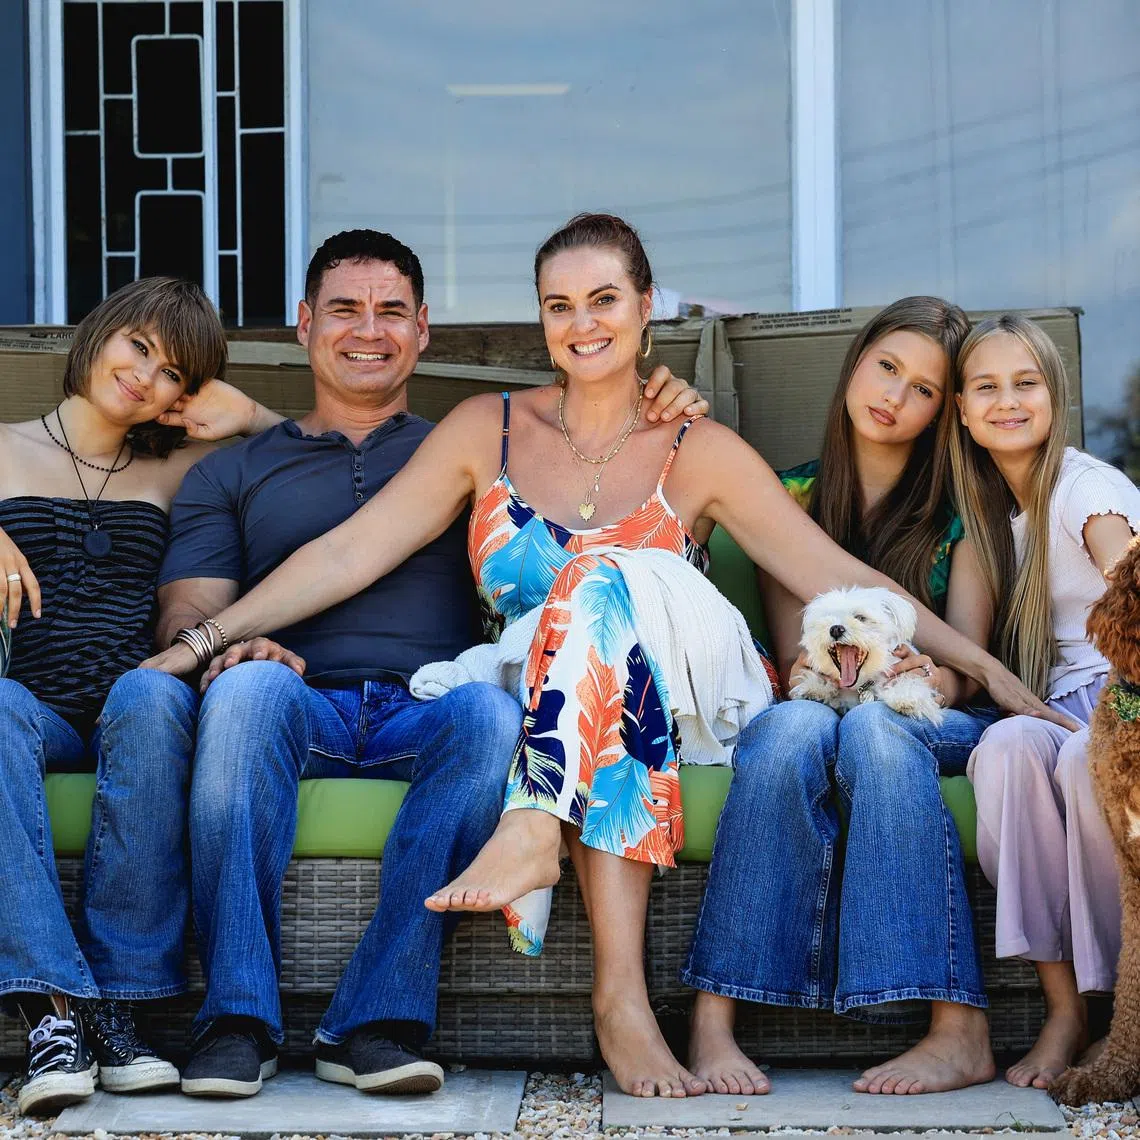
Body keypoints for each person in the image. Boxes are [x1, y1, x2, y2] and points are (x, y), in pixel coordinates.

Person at [144, 215, 1067, 1099]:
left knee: (599, 574)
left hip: (701, 696)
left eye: (604, 300)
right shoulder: (487, 429)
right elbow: (348, 551)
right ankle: (612, 989)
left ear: (646, 306)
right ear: (542, 319)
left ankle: (537, 829)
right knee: (589, 602)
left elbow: (837, 574)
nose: (582, 323)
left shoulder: (698, 447)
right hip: (572, 698)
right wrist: (199, 643)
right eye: (559, 305)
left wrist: (985, 672)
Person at [142, 227, 708, 1100]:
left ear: (424, 331)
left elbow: (585, 485)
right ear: (301, 324)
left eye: (391, 312)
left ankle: (377, 1021)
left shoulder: (481, 446)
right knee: (245, 694)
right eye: (343, 309)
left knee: (489, 717)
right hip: (295, 694)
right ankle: (235, 1020)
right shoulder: (235, 470)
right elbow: (190, 604)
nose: (368, 330)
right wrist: (210, 643)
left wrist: (653, 395)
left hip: (434, 700)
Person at [680, 296, 1004, 1097]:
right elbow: (806, 664)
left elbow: (966, 659)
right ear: (856, 362)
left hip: (930, 716)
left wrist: (940, 675)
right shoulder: (786, 495)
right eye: (887, 366)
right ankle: (713, 1021)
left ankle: (958, 1029)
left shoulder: (965, 516)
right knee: (789, 733)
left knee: (877, 736)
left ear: (942, 412)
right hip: (824, 700)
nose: (895, 394)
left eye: (924, 388)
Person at [0, 277, 280, 1116]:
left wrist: (251, 413)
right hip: (33, 704)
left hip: (135, 695)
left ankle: (121, 1006)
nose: (144, 375)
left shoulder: (180, 464)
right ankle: (55, 1012)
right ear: (100, 335)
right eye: (138, 347)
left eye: (172, 372)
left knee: (152, 702)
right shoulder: (3, 444)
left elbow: (307, 447)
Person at [956, 314, 1140, 1089]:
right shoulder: (990, 518)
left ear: (1054, 394)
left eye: (1025, 383)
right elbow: (965, 657)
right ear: (962, 409)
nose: (1008, 401)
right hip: (1051, 704)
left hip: (1120, 697)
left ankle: (1117, 1012)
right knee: (999, 753)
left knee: (1077, 766)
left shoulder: (1085, 488)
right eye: (987, 387)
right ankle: (1063, 1006)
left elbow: (1129, 576)